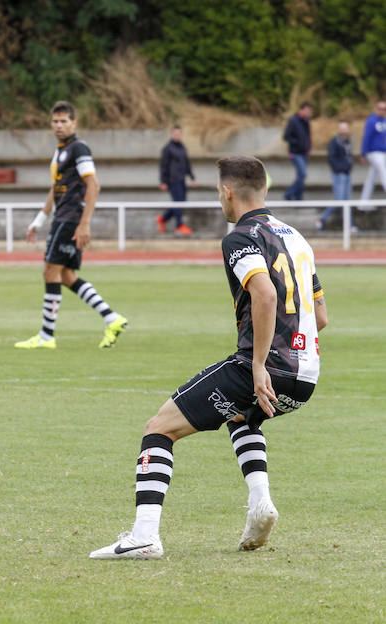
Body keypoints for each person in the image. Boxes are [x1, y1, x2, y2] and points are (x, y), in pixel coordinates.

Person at [90, 156, 327, 559]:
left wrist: (257, 364)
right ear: (265, 189)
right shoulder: (297, 238)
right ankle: (259, 504)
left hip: (265, 367)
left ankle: (144, 536)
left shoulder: (240, 237)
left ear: (226, 192)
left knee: (159, 428)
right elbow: (320, 316)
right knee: (241, 415)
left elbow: (266, 294)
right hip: (305, 375)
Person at [15, 100, 128, 350]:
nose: (59, 125)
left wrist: (84, 223)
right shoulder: (60, 150)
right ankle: (112, 318)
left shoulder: (78, 148)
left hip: (70, 219)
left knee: (50, 272)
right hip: (62, 218)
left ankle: (46, 335)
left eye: (64, 121)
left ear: (74, 123)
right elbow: (55, 189)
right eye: (55, 121)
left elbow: (94, 185)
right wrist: (38, 221)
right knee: (65, 275)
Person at [157, 125, 197, 236]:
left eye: (179, 134)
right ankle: (179, 226)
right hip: (172, 180)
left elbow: (187, 164)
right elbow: (163, 166)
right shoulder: (168, 148)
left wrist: (192, 177)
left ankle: (163, 219)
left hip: (182, 180)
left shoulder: (182, 147)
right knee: (178, 203)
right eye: (175, 133)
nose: (177, 135)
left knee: (181, 203)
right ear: (171, 134)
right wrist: (163, 181)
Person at [318, 120, 353, 230]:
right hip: (339, 174)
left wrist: (349, 167)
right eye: (341, 128)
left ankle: (349, 225)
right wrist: (339, 169)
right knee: (339, 200)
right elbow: (331, 158)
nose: (343, 130)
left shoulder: (348, 141)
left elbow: (348, 156)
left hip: (347, 173)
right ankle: (322, 218)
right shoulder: (335, 141)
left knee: (347, 201)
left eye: (345, 128)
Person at [358, 100, 386, 211]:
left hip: (383, 152)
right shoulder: (371, 120)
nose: (382, 111)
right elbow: (367, 137)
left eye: (384, 109)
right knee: (384, 173)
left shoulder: (384, 121)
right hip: (374, 152)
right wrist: (363, 153)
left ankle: (363, 202)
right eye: (380, 108)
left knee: (371, 178)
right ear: (376, 109)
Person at [283, 102, 312, 200]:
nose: (308, 113)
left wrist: (307, 148)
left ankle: (299, 197)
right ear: (302, 109)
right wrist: (297, 143)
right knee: (303, 174)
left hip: (304, 153)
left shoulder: (306, 121)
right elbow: (286, 136)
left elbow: (308, 137)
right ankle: (289, 194)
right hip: (295, 153)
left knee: (301, 176)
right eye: (307, 110)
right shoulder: (293, 121)